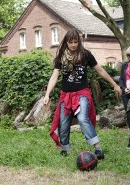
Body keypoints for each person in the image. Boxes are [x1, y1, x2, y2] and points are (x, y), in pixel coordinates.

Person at [43, 28, 121, 159]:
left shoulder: (86, 55)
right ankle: (65, 148)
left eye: (75, 42)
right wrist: (47, 94)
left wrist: (114, 84)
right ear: (66, 42)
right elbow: (54, 76)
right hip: (66, 94)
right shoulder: (61, 57)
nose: (73, 45)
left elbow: (100, 71)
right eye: (70, 42)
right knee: (64, 123)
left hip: (82, 93)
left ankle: (98, 148)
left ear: (79, 42)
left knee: (82, 118)